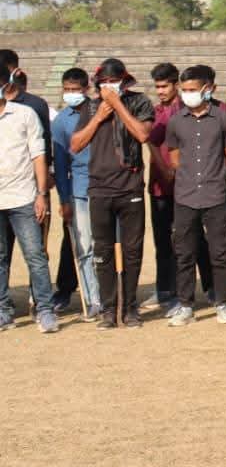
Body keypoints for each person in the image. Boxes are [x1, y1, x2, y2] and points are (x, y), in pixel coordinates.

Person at [70, 58, 155, 329]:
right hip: (100, 188)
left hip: (130, 186)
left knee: (133, 250)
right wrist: (98, 116)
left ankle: (130, 308)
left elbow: (142, 135)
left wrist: (118, 105)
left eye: (113, 81)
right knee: (102, 251)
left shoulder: (139, 102)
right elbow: (76, 144)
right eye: (103, 83)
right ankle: (109, 309)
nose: (108, 87)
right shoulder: (91, 106)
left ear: (124, 81)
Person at [163, 65, 226, 326]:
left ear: (208, 89)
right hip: (185, 196)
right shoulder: (175, 121)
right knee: (184, 252)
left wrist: (216, 173)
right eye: (184, 90)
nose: (187, 94)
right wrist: (189, 174)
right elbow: (174, 157)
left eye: (192, 90)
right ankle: (185, 305)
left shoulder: (223, 118)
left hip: (215, 195)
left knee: (220, 252)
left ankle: (224, 303)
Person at [0, 79, 56, 333]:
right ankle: (3, 311)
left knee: (35, 255)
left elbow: (38, 155)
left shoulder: (24, 114)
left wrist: (41, 194)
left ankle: (45, 309)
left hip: (23, 196)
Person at [51, 68, 100, 318]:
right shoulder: (60, 121)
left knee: (107, 246)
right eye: (67, 90)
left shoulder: (100, 111)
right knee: (83, 248)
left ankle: (112, 296)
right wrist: (64, 199)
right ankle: (93, 300)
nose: (71, 94)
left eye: (76, 90)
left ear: (86, 90)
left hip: (105, 188)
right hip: (79, 192)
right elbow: (60, 168)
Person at [145, 62, 181, 310]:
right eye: (157, 87)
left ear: (176, 84)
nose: (160, 91)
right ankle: (164, 289)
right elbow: (150, 141)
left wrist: (175, 171)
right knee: (162, 241)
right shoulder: (154, 112)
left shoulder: (185, 110)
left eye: (164, 86)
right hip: (159, 185)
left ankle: (186, 290)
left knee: (186, 240)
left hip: (184, 185)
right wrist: (164, 169)